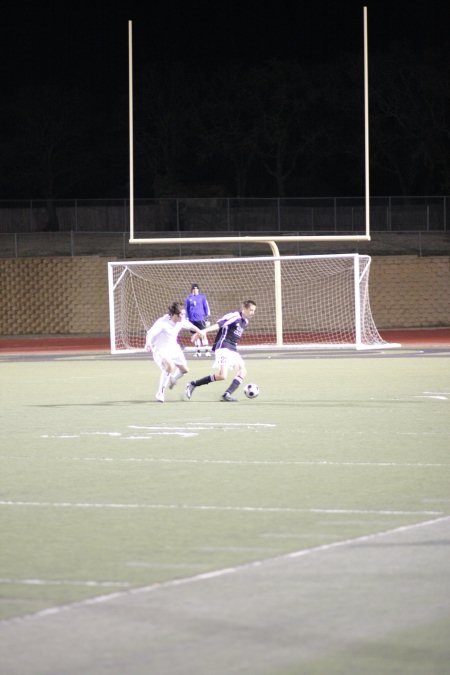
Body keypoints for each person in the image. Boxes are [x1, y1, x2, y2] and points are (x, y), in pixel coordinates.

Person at [185, 300, 256, 402]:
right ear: (244, 309)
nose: (252, 313)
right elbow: (219, 324)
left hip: (233, 348)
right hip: (223, 346)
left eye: (254, 311)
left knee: (243, 371)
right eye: (251, 310)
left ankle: (227, 394)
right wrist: (202, 331)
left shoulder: (245, 322)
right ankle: (193, 384)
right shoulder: (234, 316)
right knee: (222, 375)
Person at [145, 302, 205, 403]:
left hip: (174, 348)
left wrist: (199, 331)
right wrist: (148, 343)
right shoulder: (162, 323)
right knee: (170, 367)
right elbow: (150, 334)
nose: (184, 317)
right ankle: (160, 393)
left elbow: (190, 325)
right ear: (175, 315)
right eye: (182, 314)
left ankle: (173, 379)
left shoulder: (181, 320)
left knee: (185, 370)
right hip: (160, 349)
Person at [185, 283, 211, 357]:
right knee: (195, 335)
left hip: (200, 319)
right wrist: (187, 318)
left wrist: (207, 318)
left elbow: (206, 307)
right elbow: (187, 309)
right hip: (192, 320)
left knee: (203, 334)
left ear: (198, 290)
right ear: (192, 290)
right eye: (194, 289)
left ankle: (207, 351)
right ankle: (198, 351)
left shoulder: (202, 297)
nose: (195, 290)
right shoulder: (188, 298)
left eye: (196, 289)